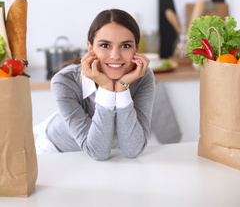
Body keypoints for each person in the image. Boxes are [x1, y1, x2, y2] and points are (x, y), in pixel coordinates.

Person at [35, 9, 156, 160]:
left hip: (107, 157)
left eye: (125, 46)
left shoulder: (143, 77)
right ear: (90, 48)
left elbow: (133, 150)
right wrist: (106, 88)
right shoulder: (65, 81)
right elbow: (97, 152)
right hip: (57, 154)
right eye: (105, 45)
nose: (115, 56)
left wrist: (121, 89)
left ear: (136, 49)